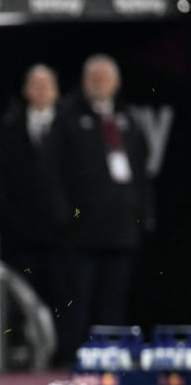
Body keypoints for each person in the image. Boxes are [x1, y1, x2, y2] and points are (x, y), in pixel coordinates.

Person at [54, 54, 153, 363]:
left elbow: (140, 170)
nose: (99, 84)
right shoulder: (68, 117)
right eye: (94, 79)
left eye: (105, 79)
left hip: (121, 226)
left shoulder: (128, 117)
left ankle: (113, 357)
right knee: (78, 296)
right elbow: (53, 171)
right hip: (82, 229)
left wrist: (145, 213)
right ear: (84, 83)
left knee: (114, 298)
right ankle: (73, 356)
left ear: (117, 83)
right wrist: (65, 215)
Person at [0, 64, 70, 321]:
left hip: (63, 234)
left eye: (48, 85)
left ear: (56, 92)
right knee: (24, 297)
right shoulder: (9, 129)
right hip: (22, 234)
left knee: (62, 294)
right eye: (37, 85)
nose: (43, 91)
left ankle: (63, 353)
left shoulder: (72, 129)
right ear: (26, 90)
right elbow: (0, 179)